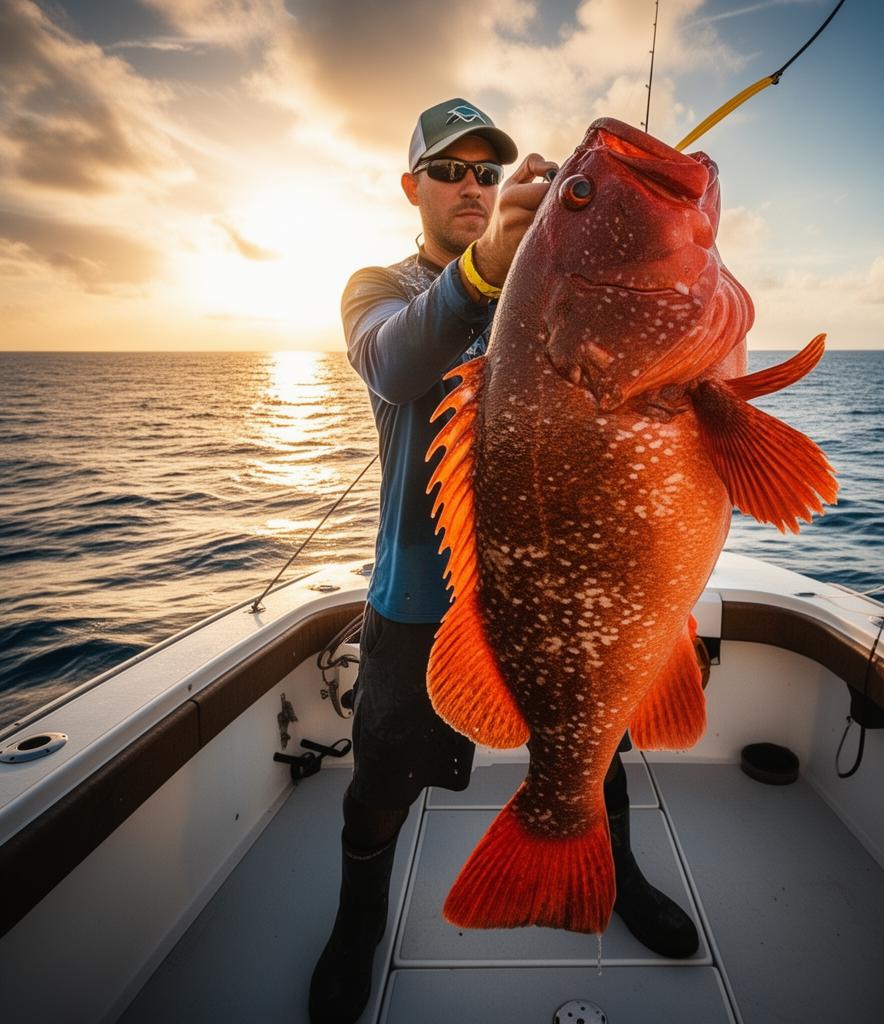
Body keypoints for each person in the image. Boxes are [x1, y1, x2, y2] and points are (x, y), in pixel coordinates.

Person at [309, 98, 698, 1024]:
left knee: (597, 747)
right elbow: (395, 365)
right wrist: (485, 274)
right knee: (381, 780)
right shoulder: (379, 285)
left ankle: (620, 876)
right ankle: (356, 924)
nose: (471, 186)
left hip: (567, 583)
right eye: (449, 170)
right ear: (413, 187)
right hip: (420, 598)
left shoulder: (549, 278)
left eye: (487, 171)